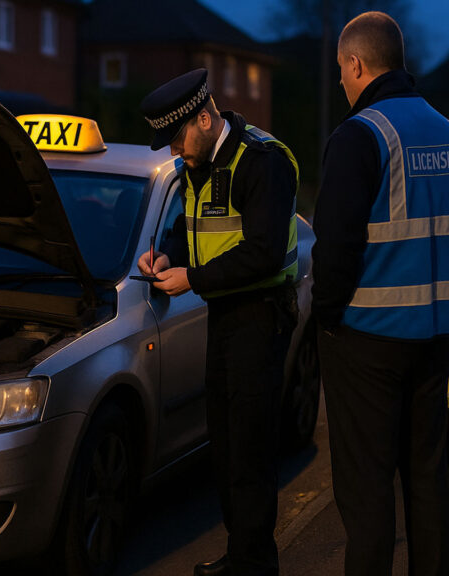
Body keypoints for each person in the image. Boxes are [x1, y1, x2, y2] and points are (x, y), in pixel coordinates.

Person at [311, 12, 449, 576]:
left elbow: (334, 249)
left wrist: (327, 319)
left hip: (366, 341)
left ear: (357, 64)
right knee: (428, 477)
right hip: (434, 337)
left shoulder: (359, 136)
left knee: (367, 488)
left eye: (341, 70)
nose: (340, 81)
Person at [138, 69, 300, 576]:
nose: (171, 152)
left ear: (204, 118)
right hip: (226, 315)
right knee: (227, 446)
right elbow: (195, 233)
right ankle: (241, 555)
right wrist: (167, 258)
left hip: (261, 316)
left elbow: (265, 254)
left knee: (250, 452)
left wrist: (193, 279)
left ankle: (256, 563)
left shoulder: (263, 161)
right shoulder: (198, 165)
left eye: (176, 138)